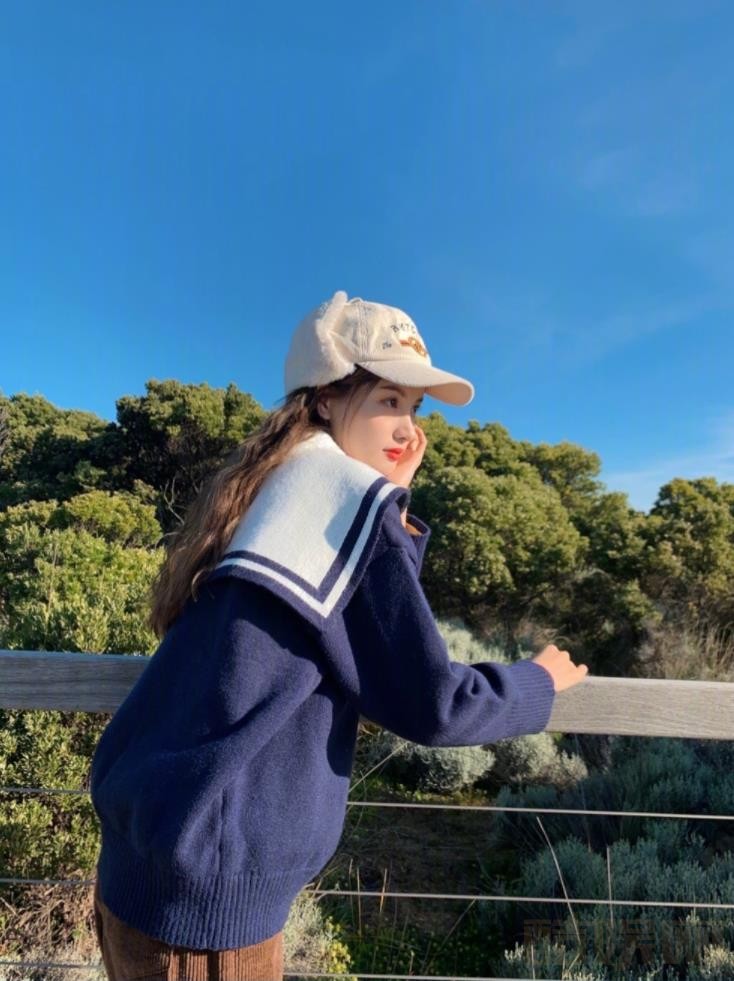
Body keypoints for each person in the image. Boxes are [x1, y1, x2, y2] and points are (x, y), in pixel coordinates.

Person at [89, 289, 588, 980]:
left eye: (416, 408)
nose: (409, 429)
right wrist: (538, 683)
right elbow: (432, 702)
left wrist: (392, 506)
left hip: (144, 869)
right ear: (326, 398)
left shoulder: (272, 486)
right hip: (208, 913)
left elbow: (357, 629)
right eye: (389, 399)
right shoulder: (347, 500)